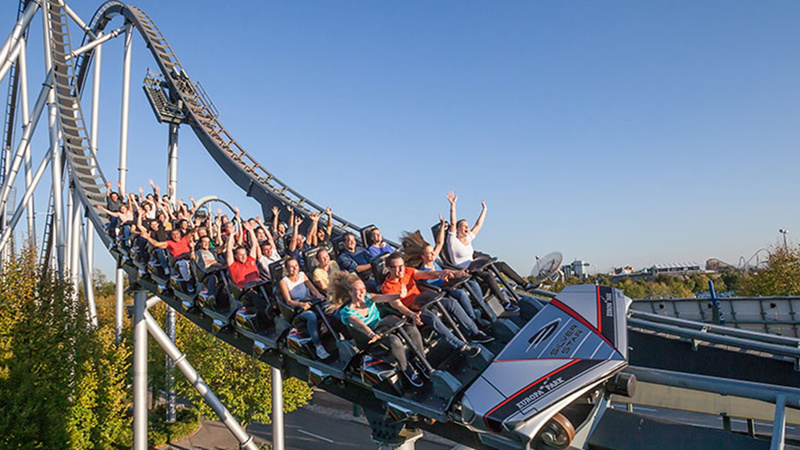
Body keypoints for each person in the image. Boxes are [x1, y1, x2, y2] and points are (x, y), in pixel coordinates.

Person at [380, 253, 490, 356]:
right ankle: (461, 346)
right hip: (413, 309)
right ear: (389, 268)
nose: (401, 269)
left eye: (402, 265)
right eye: (396, 267)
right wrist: (412, 314)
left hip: (425, 299)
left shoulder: (407, 271)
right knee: (432, 317)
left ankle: (474, 332)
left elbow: (427, 274)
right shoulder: (387, 287)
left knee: (451, 303)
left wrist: (444, 272)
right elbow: (398, 306)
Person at [328, 271, 425, 387]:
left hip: (383, 329)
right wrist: (371, 334)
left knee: (411, 329)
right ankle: (407, 370)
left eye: (363, 288)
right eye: (358, 290)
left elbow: (384, 297)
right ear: (350, 293)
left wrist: (399, 295)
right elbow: (360, 325)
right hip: (370, 339)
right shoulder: (347, 312)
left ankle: (420, 360)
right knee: (394, 341)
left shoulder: (369, 298)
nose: (362, 292)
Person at [446, 191, 523, 311]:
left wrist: (484, 209)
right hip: (467, 271)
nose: (467, 228)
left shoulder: (468, 238)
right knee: (488, 276)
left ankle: (524, 284)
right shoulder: (452, 241)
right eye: (464, 226)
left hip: (477, 266)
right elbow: (452, 223)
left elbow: (478, 225)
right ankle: (505, 303)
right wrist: (453, 206)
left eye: (467, 226)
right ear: (457, 229)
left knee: (501, 265)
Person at [402, 219, 484, 322]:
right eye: (430, 253)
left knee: (472, 283)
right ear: (423, 256)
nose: (433, 254)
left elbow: (439, 243)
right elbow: (433, 275)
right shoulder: (424, 270)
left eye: (433, 252)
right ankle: (473, 318)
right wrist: (445, 275)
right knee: (460, 294)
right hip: (440, 289)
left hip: (449, 283)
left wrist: (441, 227)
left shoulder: (433, 259)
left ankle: (482, 308)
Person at [279, 257, 329, 360]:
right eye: (291, 267)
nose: (294, 269)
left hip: (310, 302)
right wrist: (301, 304)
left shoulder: (302, 275)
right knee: (311, 316)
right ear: (287, 269)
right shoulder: (284, 281)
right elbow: (288, 301)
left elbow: (313, 289)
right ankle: (318, 346)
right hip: (298, 308)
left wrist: (320, 296)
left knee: (330, 308)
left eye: (296, 266)